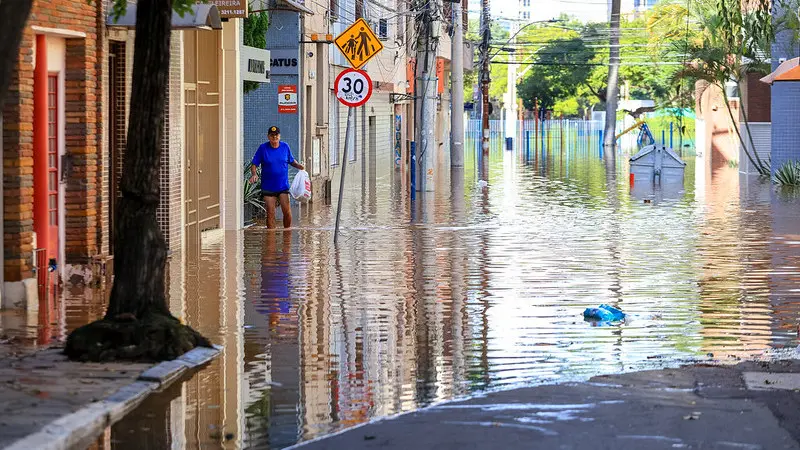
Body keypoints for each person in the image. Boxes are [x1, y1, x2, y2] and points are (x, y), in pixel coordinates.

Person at [249, 126, 304, 229]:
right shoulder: (263, 148)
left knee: (287, 211)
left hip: (282, 186)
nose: (274, 137)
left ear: (279, 136)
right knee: (270, 212)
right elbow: (254, 164)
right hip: (268, 187)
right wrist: (254, 174)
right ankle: (271, 238)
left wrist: (299, 166)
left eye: (276, 135)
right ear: (268, 136)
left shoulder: (285, 147)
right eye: (272, 135)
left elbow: (291, 161)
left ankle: (287, 234)